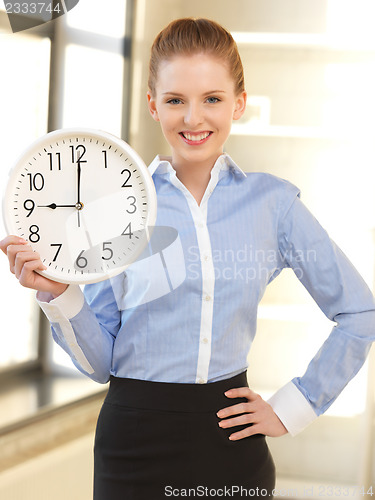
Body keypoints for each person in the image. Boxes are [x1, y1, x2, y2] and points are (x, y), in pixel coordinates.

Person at [1, 17, 375, 499]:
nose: (193, 118)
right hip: (130, 445)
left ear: (238, 103)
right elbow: (101, 363)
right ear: (154, 104)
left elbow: (359, 313)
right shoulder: (114, 209)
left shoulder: (273, 205)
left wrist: (293, 406)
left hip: (230, 443)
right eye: (176, 100)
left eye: (212, 99)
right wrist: (58, 294)